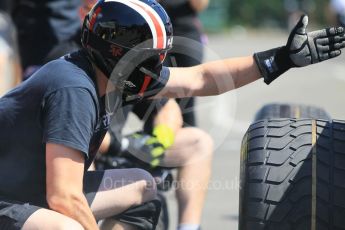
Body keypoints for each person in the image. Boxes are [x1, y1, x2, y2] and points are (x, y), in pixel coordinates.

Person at [0, 0, 344, 229]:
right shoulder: (74, 88)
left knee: (142, 188)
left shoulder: (108, 72)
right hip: (9, 199)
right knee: (67, 226)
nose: (159, 65)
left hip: (29, 189)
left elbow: (202, 78)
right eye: (151, 55)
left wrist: (280, 59)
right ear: (118, 51)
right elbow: (63, 197)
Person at [99, 98, 213, 230]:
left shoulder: (125, 81)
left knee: (198, 143)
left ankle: (189, 227)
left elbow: (168, 107)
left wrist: (157, 143)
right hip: (85, 161)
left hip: (117, 153)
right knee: (141, 201)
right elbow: (80, 138)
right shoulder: (80, 87)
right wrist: (124, 146)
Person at [158, 0, 209, 127]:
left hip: (187, 36)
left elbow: (200, 5)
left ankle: (189, 141)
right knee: (158, 96)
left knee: (186, 98)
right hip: (159, 35)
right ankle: (157, 142)